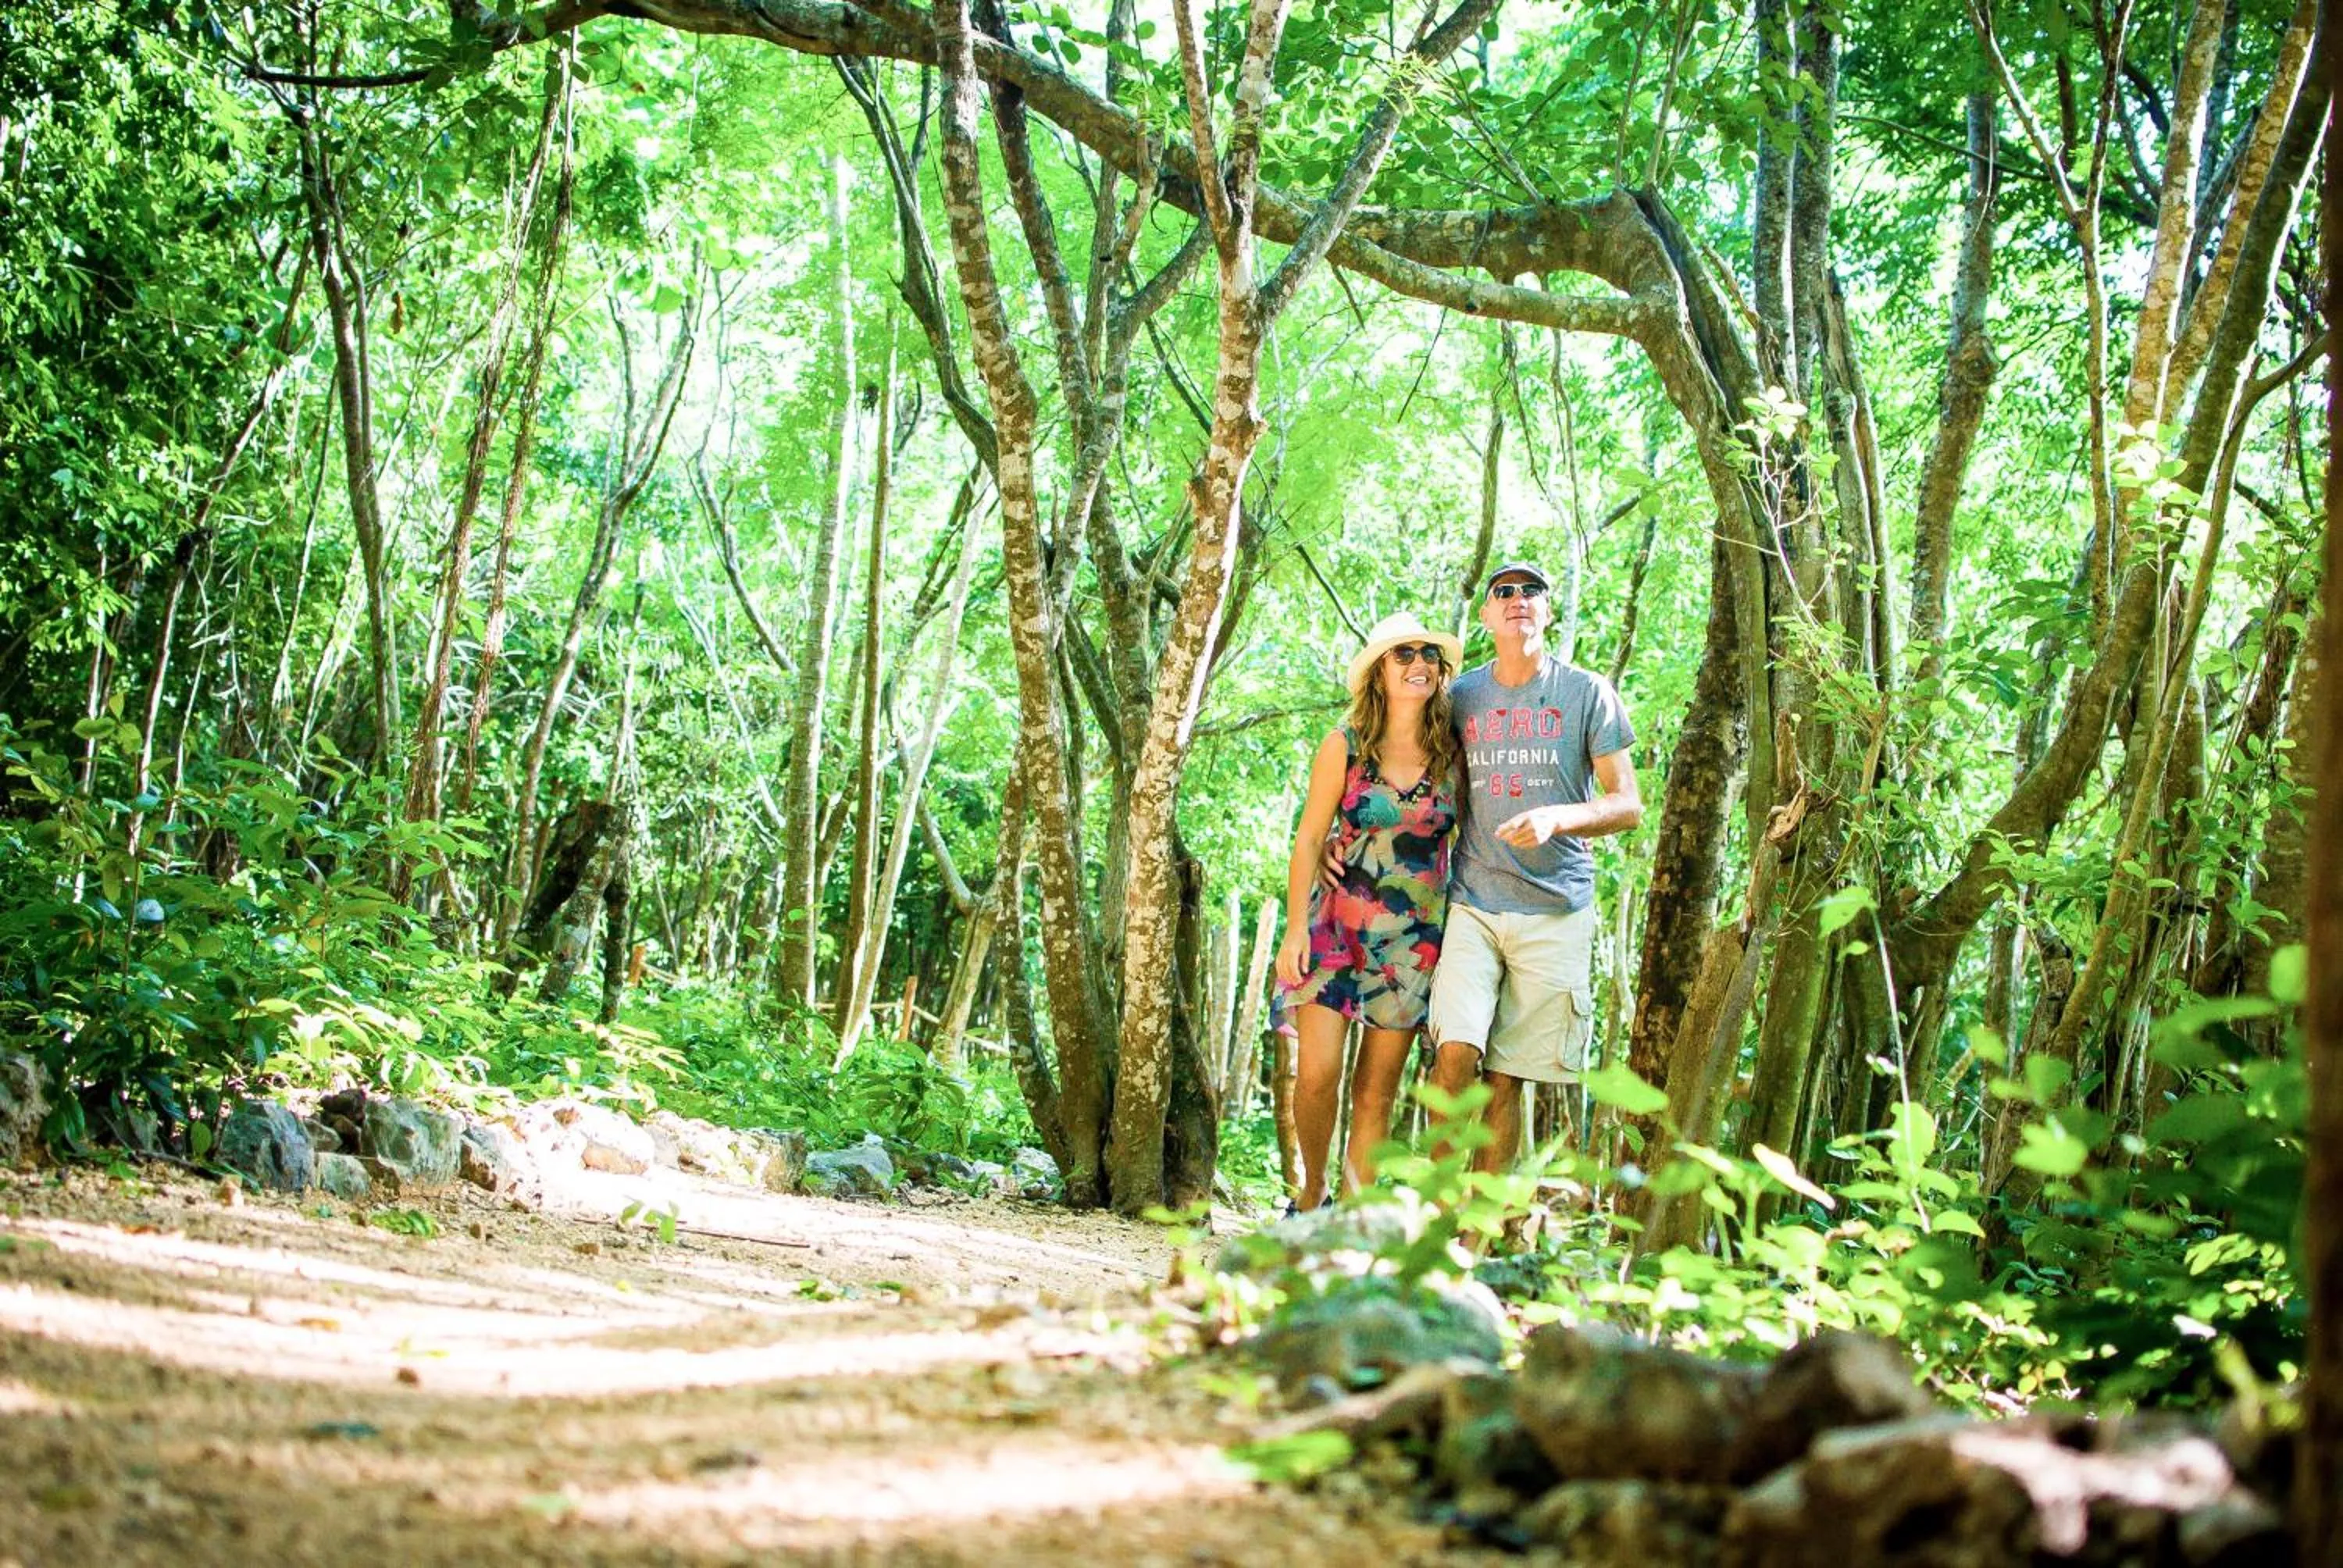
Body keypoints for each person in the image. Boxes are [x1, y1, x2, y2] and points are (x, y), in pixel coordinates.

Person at [1424, 561, 1641, 1173]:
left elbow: (1628, 804)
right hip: (1476, 899)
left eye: (1532, 592)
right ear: (1487, 615)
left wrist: (1558, 818)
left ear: (1548, 611)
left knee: (1505, 1079)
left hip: (1556, 908)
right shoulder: (1461, 696)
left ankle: (1477, 1238)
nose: (1519, 599)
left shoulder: (1586, 692)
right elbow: (1413, 773)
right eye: (1505, 593)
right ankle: (1432, 1221)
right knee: (1456, 1055)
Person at [1273, 611, 1464, 1211]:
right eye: (1403, 654)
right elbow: (1310, 837)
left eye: (1429, 655)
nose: (1419, 665)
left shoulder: (1453, 752)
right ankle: (1311, 1197)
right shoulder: (1346, 743)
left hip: (1414, 942)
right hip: (1333, 929)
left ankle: (1354, 1222)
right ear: (1379, 672)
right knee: (1317, 1075)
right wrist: (1293, 929)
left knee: (1376, 1090)